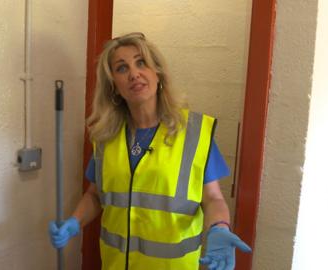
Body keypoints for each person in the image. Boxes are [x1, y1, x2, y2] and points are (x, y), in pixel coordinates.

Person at [49, 32, 251, 270]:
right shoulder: (105, 137)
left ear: (158, 73)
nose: (134, 73)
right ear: (113, 85)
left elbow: (213, 198)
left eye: (141, 62)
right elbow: (95, 195)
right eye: (122, 68)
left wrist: (219, 227)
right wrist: (74, 221)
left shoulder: (194, 133)